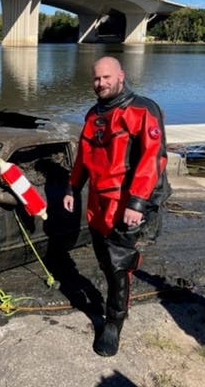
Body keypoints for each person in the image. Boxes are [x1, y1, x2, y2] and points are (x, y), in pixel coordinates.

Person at [63, 56, 169, 357]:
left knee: (118, 266)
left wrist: (136, 202)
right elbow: (84, 155)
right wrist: (73, 186)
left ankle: (114, 323)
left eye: (107, 77)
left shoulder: (143, 109)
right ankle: (114, 298)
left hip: (125, 203)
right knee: (104, 261)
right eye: (96, 79)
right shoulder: (93, 113)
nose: (101, 83)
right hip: (97, 202)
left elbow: (153, 158)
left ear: (121, 75)